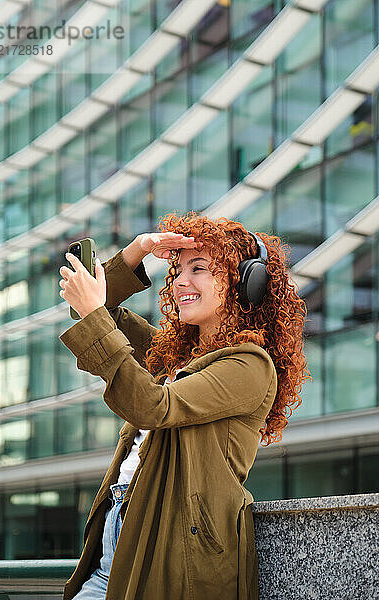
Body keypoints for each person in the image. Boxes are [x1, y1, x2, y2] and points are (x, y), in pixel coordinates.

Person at [58, 211, 310, 600]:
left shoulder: (249, 365)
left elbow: (151, 405)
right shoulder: (177, 356)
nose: (180, 281)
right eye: (177, 270)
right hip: (120, 534)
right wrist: (135, 252)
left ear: (246, 283)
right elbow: (94, 316)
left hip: (174, 548)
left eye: (199, 269)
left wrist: (93, 312)